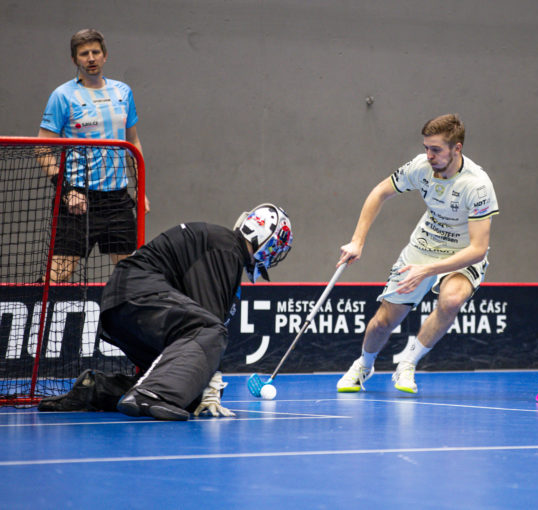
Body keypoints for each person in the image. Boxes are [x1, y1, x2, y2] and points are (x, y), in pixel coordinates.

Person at [38, 203, 293, 420]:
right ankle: (151, 394)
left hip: (125, 303)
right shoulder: (225, 249)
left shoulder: (224, 248)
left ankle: (98, 389)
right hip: (139, 294)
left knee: (190, 389)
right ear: (268, 242)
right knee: (211, 332)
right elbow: (210, 320)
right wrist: (214, 378)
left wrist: (207, 381)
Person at [336, 114, 499, 394]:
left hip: (462, 255)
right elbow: (379, 193)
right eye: (426, 147)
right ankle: (364, 364)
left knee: (452, 300)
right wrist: (357, 241)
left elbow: (478, 249)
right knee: (383, 322)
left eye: (436, 149)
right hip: (422, 248)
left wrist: (428, 271)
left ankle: (408, 362)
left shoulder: (478, 186)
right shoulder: (420, 167)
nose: (429, 155)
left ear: (456, 149)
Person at [37, 28, 149, 282]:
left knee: (133, 276)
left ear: (105, 55)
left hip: (117, 201)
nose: (91, 58)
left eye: (95, 52)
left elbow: (132, 142)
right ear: (75, 59)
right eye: (84, 53)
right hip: (77, 201)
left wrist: (141, 192)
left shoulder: (123, 92)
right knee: (59, 276)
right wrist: (66, 191)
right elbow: (41, 148)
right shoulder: (62, 96)